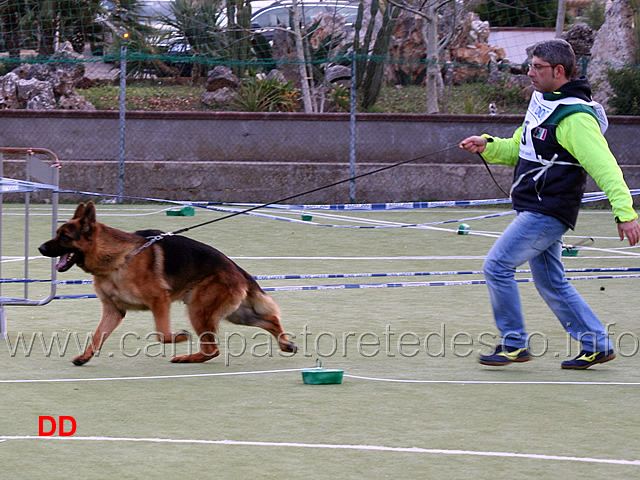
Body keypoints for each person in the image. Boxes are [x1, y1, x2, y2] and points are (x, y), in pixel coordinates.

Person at [459, 39, 640, 370]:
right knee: (551, 282)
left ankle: (514, 344)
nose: (529, 72)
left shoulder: (575, 118)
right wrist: (487, 145)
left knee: (496, 266)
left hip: (548, 211)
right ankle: (597, 344)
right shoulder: (542, 101)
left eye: (536, 67)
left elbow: (606, 167)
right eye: (529, 65)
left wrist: (625, 213)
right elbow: (520, 147)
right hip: (537, 207)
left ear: (559, 71)